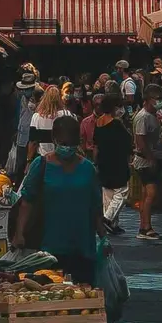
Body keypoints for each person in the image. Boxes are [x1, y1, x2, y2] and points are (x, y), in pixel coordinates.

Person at [14, 114, 110, 283]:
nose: (67, 147)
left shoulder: (88, 169)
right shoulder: (41, 165)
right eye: (63, 143)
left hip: (82, 248)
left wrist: (103, 237)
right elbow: (26, 202)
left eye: (71, 143)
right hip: (48, 249)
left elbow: (95, 207)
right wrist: (19, 233)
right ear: (54, 139)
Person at [92, 90, 133, 235]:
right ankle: (108, 219)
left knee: (108, 194)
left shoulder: (99, 122)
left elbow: (95, 144)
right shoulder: (117, 124)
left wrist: (95, 161)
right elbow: (128, 143)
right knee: (122, 192)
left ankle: (112, 225)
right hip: (117, 161)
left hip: (103, 161)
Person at [131, 84, 162, 241]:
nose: (159, 102)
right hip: (144, 161)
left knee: (146, 194)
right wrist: (150, 158)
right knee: (150, 193)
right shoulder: (143, 117)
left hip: (151, 158)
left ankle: (144, 226)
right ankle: (146, 227)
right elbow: (140, 140)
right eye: (156, 99)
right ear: (147, 100)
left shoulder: (152, 115)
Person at [10, 65, 41, 179]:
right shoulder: (23, 98)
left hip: (33, 137)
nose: (25, 91)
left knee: (30, 168)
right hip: (22, 135)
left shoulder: (39, 98)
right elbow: (21, 115)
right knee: (19, 167)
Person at [30, 83, 70, 159]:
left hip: (44, 158)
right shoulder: (67, 114)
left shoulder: (36, 117)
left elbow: (33, 142)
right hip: (63, 158)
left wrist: (29, 160)